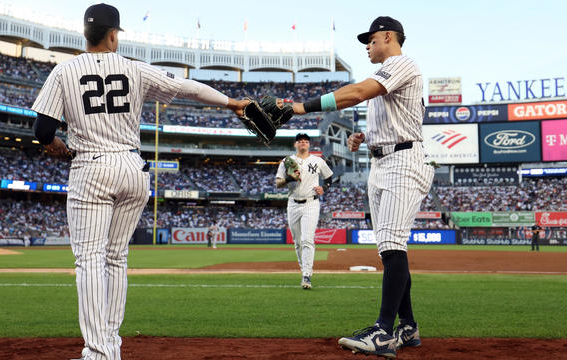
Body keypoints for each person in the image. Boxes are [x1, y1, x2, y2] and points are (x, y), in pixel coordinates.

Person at [31, 4, 250, 360]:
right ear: (114, 34)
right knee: (116, 258)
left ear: (85, 34)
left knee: (89, 260)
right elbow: (188, 88)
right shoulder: (135, 68)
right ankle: (110, 347)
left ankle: (99, 352)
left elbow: (43, 131)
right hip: (132, 167)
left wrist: (55, 146)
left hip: (91, 165)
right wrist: (231, 102)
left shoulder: (63, 71)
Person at [277, 16, 434, 358]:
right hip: (383, 161)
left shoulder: (403, 64)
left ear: (389, 37)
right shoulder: (385, 76)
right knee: (390, 250)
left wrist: (299, 107)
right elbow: (395, 118)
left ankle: (382, 332)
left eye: (372, 39)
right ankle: (407, 327)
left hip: (403, 162)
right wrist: (364, 139)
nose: (367, 45)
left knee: (392, 246)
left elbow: (358, 93)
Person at [275, 133, 333, 290]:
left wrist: (324, 188)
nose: (303, 144)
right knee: (298, 242)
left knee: (308, 240)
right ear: (295, 144)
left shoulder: (317, 161)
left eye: (306, 141)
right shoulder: (287, 161)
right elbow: (278, 183)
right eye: (300, 141)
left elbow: (329, 178)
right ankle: (304, 269)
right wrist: (289, 178)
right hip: (293, 203)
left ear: (309, 145)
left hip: (311, 203)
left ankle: (307, 274)